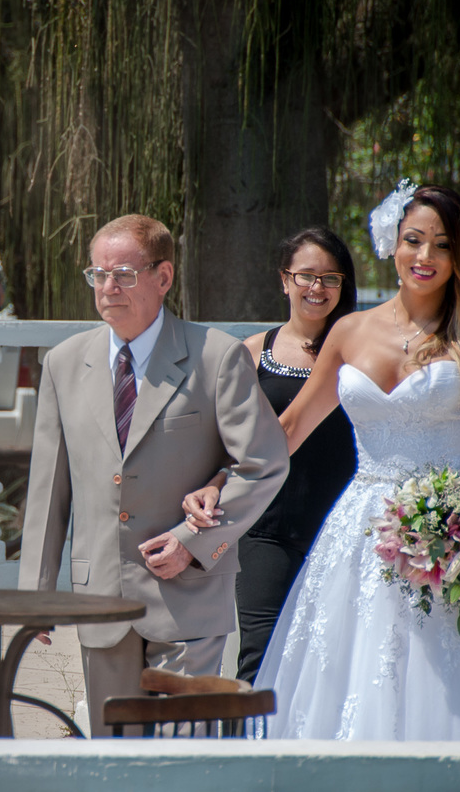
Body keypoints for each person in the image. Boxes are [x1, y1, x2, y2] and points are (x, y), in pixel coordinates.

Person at [184, 182, 460, 740]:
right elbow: (284, 432)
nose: (425, 256)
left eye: (441, 244)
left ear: (459, 256)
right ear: (392, 244)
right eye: (414, 240)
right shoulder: (348, 332)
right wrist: (219, 481)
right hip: (362, 532)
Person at [18, 214, 290, 737]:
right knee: (113, 752)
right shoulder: (63, 363)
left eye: (122, 273)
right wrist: (37, 593)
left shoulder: (216, 357)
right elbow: (49, 489)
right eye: (97, 275)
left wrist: (192, 540)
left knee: (181, 753)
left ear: (163, 278)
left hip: (189, 592)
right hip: (101, 597)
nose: (107, 288)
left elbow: (264, 463)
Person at [184, 228, 358, 683]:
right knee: (259, 658)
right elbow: (230, 445)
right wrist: (214, 485)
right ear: (284, 280)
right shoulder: (250, 353)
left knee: (334, 661)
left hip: (345, 525)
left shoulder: (363, 354)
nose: (317, 288)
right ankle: (251, 750)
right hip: (267, 528)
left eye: (330, 278)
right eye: (306, 275)